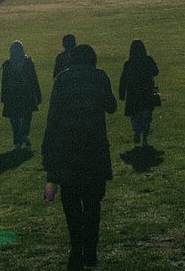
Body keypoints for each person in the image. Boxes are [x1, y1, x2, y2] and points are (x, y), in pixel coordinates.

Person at [42, 44, 117, 270]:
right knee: (93, 203)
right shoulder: (99, 76)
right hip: (94, 148)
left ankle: (76, 246)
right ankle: (91, 251)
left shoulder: (62, 80)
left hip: (68, 150)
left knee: (71, 200)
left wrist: (47, 148)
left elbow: (53, 115)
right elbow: (112, 107)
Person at [1, 40, 42, 150]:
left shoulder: (8, 64)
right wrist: (38, 94)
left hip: (13, 95)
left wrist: (3, 96)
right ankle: (24, 135)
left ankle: (18, 141)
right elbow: (34, 80)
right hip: (26, 94)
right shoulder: (28, 63)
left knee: (15, 119)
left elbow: (4, 82)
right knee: (26, 117)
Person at [118, 39, 159, 146]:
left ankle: (136, 130)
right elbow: (156, 72)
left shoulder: (128, 63)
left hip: (133, 93)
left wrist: (122, 93)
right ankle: (144, 137)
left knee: (135, 115)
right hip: (146, 92)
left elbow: (123, 79)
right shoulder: (148, 60)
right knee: (146, 115)